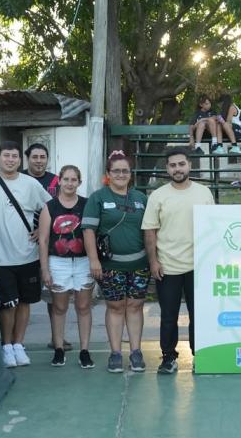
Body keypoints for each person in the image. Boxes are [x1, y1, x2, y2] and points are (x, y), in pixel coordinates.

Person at [0, 141, 52, 367]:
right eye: (6, 155)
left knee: (25, 302)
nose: (10, 159)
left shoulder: (31, 184)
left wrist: (40, 229)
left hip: (29, 255)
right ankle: (6, 346)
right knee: (7, 304)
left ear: (19, 160)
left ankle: (18, 345)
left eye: (14, 156)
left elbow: (50, 208)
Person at [143, 147, 215, 374]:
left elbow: (214, 227)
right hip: (168, 266)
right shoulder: (158, 196)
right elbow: (150, 231)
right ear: (167, 169)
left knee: (199, 314)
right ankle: (168, 357)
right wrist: (153, 262)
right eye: (173, 165)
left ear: (189, 165)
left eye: (181, 164)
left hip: (198, 266)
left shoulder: (204, 193)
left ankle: (199, 355)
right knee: (168, 316)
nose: (177, 169)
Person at [82, 151, 149, 374]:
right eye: (116, 171)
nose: (121, 174)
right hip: (110, 266)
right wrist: (94, 260)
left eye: (125, 171)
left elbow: (151, 231)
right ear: (108, 174)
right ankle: (116, 353)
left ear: (131, 174)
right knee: (115, 306)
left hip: (139, 264)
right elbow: (89, 230)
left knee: (135, 305)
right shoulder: (98, 198)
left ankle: (136, 352)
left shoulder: (141, 199)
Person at [38, 165, 94, 369]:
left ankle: (85, 351)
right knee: (59, 307)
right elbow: (43, 240)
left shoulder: (88, 205)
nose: (70, 183)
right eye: (66, 179)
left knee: (83, 307)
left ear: (79, 182)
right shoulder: (49, 207)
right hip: (58, 262)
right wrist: (45, 268)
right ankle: (59, 349)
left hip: (83, 261)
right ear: (59, 181)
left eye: (74, 180)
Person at [22, 143, 71, 351]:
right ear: (28, 158)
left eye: (43, 157)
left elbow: (60, 210)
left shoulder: (55, 181)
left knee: (53, 294)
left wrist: (43, 232)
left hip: (49, 244)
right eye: (35, 157)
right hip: (21, 243)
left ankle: (56, 338)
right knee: (21, 296)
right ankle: (17, 341)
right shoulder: (19, 179)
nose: (39, 160)